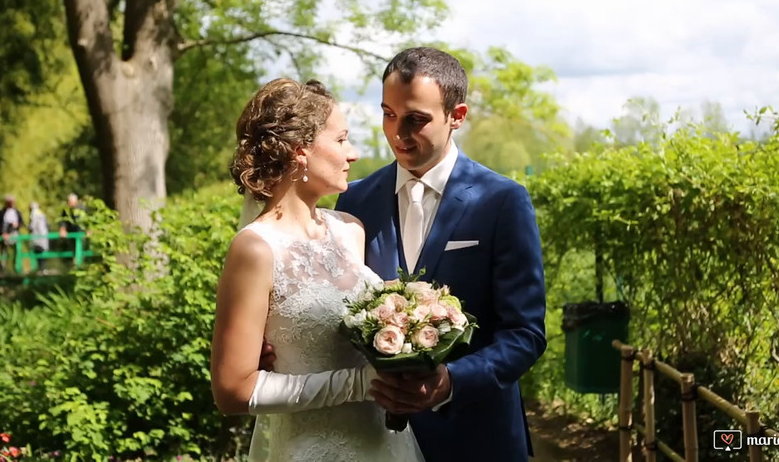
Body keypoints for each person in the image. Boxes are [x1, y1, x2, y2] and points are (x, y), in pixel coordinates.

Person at [335, 47, 547, 462]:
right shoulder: (353, 202)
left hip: (479, 439)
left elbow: (525, 334)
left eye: (416, 119)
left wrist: (450, 382)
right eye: (388, 114)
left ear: (458, 115)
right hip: (371, 440)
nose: (398, 132)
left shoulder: (502, 201)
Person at [212, 78, 424, 462]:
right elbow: (232, 391)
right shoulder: (256, 249)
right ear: (300, 152)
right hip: (312, 448)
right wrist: (360, 384)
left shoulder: (350, 230)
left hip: (383, 445)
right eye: (341, 139)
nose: (353, 153)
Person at [0, 194, 22, 272]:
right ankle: (2, 269)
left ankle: (16, 268)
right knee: (3, 252)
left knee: (17, 251)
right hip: (3, 234)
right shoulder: (1, 212)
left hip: (14, 234)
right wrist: (2, 233)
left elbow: (21, 223)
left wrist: (17, 225)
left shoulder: (17, 212)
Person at [28, 202, 49, 272]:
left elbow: (32, 226)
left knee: (38, 252)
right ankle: (43, 268)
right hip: (43, 235)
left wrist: (27, 227)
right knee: (42, 252)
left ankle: (41, 269)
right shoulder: (41, 213)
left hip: (37, 236)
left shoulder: (33, 214)